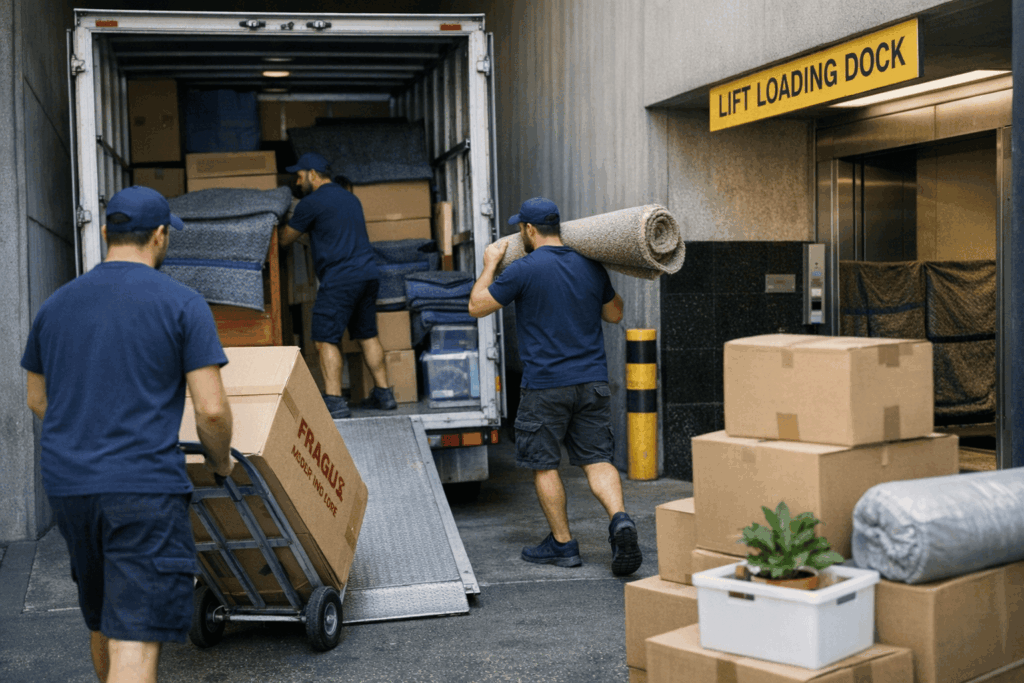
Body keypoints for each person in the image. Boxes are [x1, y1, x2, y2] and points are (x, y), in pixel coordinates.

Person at [21, 186, 234, 683]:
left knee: (104, 621)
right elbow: (213, 410)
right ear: (160, 236)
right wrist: (220, 463)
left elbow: (37, 399)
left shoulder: (55, 306)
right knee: (134, 639)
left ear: (105, 234)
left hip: (71, 488)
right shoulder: (182, 304)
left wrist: (83, 438)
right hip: (142, 489)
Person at [468, 197, 642, 576]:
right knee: (598, 460)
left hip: (545, 386)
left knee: (545, 464)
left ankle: (563, 545)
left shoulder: (524, 269)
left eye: (521, 229)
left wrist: (489, 266)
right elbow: (615, 314)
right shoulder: (589, 265)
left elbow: (477, 306)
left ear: (529, 230)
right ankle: (620, 521)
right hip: (592, 381)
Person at [278, 152, 396, 418]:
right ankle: (384, 393)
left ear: (312, 174)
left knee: (323, 338)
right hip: (367, 275)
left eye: (299, 176)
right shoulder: (351, 199)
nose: (298, 182)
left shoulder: (311, 203)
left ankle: (334, 401)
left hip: (341, 278)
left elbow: (285, 239)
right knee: (367, 334)